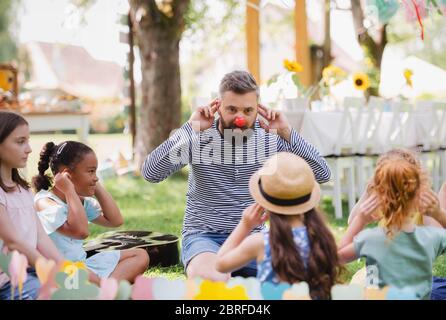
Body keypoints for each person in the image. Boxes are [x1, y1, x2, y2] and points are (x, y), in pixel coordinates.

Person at [142, 70, 331, 281]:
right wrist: (190, 128)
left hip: (253, 238)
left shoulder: (269, 138)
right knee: (214, 281)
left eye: (248, 110)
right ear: (218, 106)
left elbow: (322, 174)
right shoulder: (199, 136)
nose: (240, 118)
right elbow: (150, 173)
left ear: (258, 110)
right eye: (232, 109)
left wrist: (287, 132)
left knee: (297, 279)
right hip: (204, 237)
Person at [215, 152, 341, 299]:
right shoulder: (321, 237)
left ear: (264, 202)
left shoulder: (262, 242)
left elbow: (220, 264)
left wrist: (245, 225)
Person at [33, 141, 149, 284]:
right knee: (87, 276)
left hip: (83, 267)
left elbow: (115, 220)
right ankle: (105, 290)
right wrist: (69, 190)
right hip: (60, 271)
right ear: (67, 175)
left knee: (140, 255)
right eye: (90, 171)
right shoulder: (44, 203)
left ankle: (103, 290)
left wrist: (95, 185)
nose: (96, 177)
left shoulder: (79, 201)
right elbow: (81, 232)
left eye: (95, 171)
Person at [338, 150, 446, 299]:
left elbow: (337, 257)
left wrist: (360, 220)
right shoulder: (431, 238)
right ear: (419, 192)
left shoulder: (370, 240)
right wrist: (439, 213)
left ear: (379, 194)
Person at [0, 111, 63, 300]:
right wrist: (49, 270)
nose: (28, 149)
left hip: (31, 272)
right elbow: (13, 242)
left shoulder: (22, 189)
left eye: (28, 141)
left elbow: (41, 238)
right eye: (20, 142)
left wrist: (65, 268)